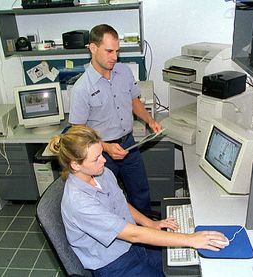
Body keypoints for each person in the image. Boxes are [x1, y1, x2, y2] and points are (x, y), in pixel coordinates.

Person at [48, 125, 228, 277]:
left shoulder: (100, 173)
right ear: (75, 164)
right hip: (112, 263)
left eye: (102, 153)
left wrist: (151, 223)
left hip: (130, 245)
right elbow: (133, 234)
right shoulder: (79, 203)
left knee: (180, 268)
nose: (104, 160)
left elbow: (119, 203)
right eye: (96, 158)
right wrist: (191, 239)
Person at [69, 24, 160, 212]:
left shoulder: (124, 72)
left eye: (117, 51)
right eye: (109, 51)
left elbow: (134, 101)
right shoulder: (81, 88)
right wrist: (106, 147)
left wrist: (150, 121)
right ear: (93, 48)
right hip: (100, 154)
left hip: (129, 145)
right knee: (109, 201)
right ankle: (125, 235)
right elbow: (78, 132)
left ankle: (148, 234)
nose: (115, 57)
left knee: (141, 192)